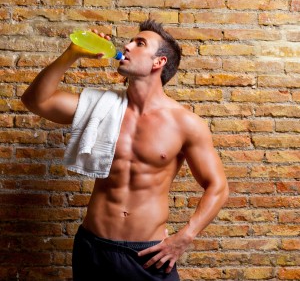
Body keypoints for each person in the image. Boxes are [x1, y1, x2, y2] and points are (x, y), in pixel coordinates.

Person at [21, 20, 229, 281]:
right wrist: (71, 53)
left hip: (147, 254)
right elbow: (35, 101)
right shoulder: (100, 107)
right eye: (130, 41)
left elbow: (218, 186)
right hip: (92, 247)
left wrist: (185, 236)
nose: (127, 46)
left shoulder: (185, 123)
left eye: (139, 43)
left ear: (159, 62)